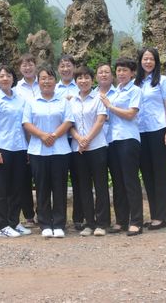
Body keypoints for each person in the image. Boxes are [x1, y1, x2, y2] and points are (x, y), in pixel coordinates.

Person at [23, 66, 74, 238]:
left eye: (50, 78)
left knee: (59, 187)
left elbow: (68, 121)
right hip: (38, 151)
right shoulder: (31, 102)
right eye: (43, 78)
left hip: (60, 150)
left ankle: (59, 223)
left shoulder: (63, 101)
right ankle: (45, 223)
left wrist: (54, 135)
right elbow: (26, 123)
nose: (46, 81)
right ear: (38, 81)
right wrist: (43, 135)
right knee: (42, 188)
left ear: (55, 81)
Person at [99, 57, 143, 236]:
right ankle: (121, 220)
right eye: (118, 70)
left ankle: (136, 221)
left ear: (132, 73)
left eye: (125, 70)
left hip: (128, 138)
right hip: (113, 140)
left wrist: (109, 106)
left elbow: (131, 114)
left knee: (130, 180)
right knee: (117, 182)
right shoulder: (116, 91)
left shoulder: (135, 90)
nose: (121, 73)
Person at [0, 65, 31, 238]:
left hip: (20, 147)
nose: (5, 78)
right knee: (3, 188)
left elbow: (25, 125)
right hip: (3, 148)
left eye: (8, 75)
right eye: (2, 76)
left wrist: (29, 147)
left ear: (13, 78)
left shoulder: (20, 99)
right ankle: (3, 225)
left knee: (18, 187)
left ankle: (14, 222)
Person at [135, 47, 166, 231]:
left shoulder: (163, 81)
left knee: (159, 173)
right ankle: (154, 215)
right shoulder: (136, 83)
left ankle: (161, 217)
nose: (148, 62)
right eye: (145, 59)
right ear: (140, 61)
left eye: (151, 59)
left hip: (158, 130)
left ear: (156, 61)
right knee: (147, 174)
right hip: (140, 132)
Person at [69, 66, 109, 237]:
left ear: (92, 80)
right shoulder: (71, 101)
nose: (83, 81)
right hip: (78, 149)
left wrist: (87, 139)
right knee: (84, 187)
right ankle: (89, 223)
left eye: (86, 77)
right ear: (75, 81)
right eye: (80, 78)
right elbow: (69, 124)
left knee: (100, 185)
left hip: (97, 146)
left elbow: (100, 121)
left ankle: (102, 223)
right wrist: (79, 138)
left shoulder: (99, 98)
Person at [54, 54, 83, 230]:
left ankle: (79, 217)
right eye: (62, 66)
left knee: (79, 180)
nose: (65, 69)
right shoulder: (53, 88)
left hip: (79, 140)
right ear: (58, 69)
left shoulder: (80, 85)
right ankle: (59, 219)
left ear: (74, 67)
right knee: (59, 181)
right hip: (59, 141)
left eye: (68, 65)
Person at [14, 53, 39, 228]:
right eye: (24, 65)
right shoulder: (16, 89)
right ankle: (29, 215)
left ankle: (43, 212)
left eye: (30, 64)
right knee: (24, 179)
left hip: (45, 137)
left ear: (35, 65)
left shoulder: (44, 83)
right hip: (23, 138)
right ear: (19, 68)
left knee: (42, 178)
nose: (27, 67)